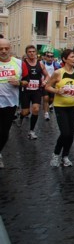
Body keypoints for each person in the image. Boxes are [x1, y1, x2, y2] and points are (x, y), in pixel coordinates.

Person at [45, 49, 74, 167]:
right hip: (60, 107)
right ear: (64, 59)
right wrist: (57, 90)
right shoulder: (58, 72)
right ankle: (56, 154)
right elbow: (48, 87)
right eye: (72, 57)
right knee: (65, 133)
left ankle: (65, 156)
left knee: (71, 133)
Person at [18, 45, 50, 139]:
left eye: (33, 51)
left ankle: (31, 131)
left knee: (36, 109)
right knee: (26, 112)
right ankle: (21, 116)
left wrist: (44, 81)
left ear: (36, 53)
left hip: (36, 90)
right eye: (29, 52)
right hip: (26, 91)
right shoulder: (22, 64)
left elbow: (47, 76)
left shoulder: (40, 64)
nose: (32, 53)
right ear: (26, 53)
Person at [0, 39, 22, 169]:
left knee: (4, 132)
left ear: (10, 48)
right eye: (0, 48)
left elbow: (27, 80)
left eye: (6, 48)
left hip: (10, 103)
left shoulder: (18, 63)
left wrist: (19, 83)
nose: (3, 51)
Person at [42, 52, 61, 121]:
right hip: (45, 84)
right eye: (48, 56)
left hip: (53, 85)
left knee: (51, 99)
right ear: (45, 57)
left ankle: (50, 105)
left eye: (51, 56)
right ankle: (46, 113)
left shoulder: (56, 65)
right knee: (46, 98)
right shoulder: (42, 64)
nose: (50, 58)